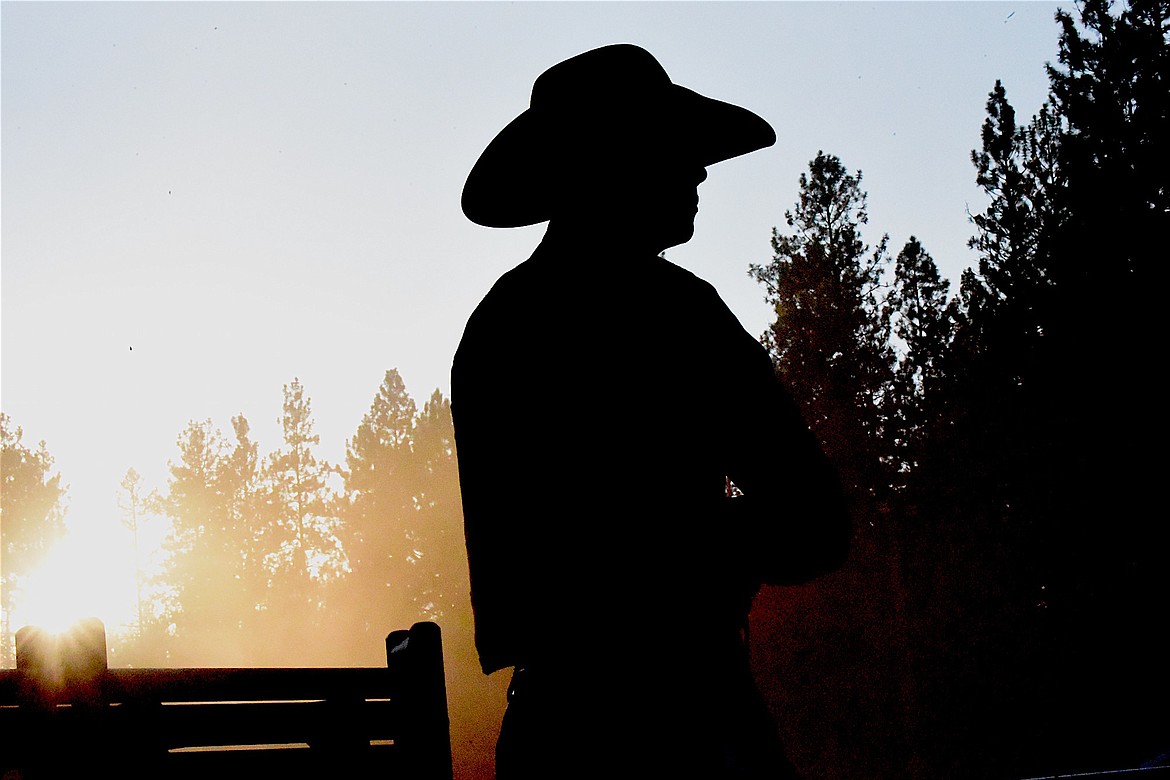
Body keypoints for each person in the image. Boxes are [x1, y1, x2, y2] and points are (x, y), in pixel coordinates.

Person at [452, 44, 851, 779]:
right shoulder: (678, 314)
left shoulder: (496, 329)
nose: (698, 171)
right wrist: (718, 551)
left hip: (550, 737)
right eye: (673, 149)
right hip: (692, 732)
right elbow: (816, 519)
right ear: (616, 160)